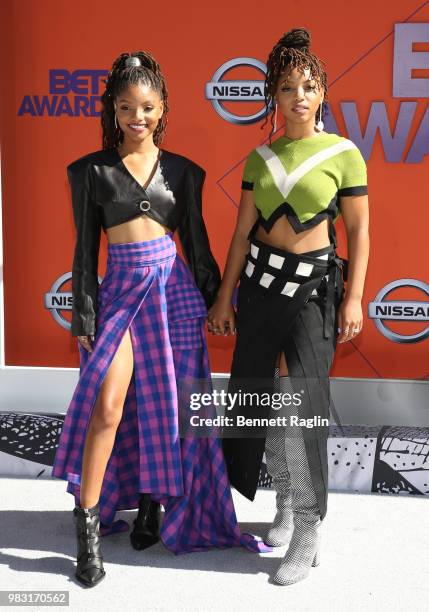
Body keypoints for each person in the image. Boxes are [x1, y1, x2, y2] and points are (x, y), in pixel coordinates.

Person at [52, 51, 270, 589]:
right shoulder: (90, 171)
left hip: (172, 291)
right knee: (109, 406)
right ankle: (89, 530)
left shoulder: (183, 172)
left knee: (167, 408)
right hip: (121, 292)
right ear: (113, 110)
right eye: (126, 107)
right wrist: (84, 310)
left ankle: (152, 506)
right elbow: (84, 253)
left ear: (162, 107)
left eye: (146, 107)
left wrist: (219, 301)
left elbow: (196, 245)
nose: (137, 117)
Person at [208, 27, 369, 586]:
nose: (297, 96)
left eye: (308, 85)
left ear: (322, 92)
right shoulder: (259, 158)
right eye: (286, 87)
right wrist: (226, 295)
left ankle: (308, 526)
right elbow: (238, 235)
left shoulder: (345, 155)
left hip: (312, 294)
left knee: (299, 407)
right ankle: (284, 505)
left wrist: (354, 298)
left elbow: (359, 233)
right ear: (273, 98)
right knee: (262, 404)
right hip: (258, 290)